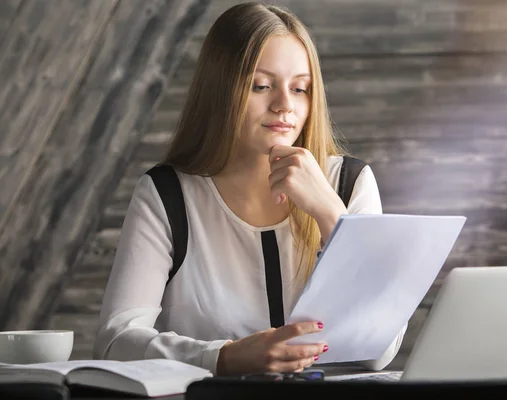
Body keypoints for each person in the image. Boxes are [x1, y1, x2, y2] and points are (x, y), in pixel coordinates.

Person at [93, 2, 406, 376]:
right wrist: (223, 357)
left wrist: (331, 215)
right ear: (220, 90)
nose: (284, 105)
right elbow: (115, 342)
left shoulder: (349, 184)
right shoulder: (166, 195)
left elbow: (380, 351)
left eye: (300, 88)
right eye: (261, 86)